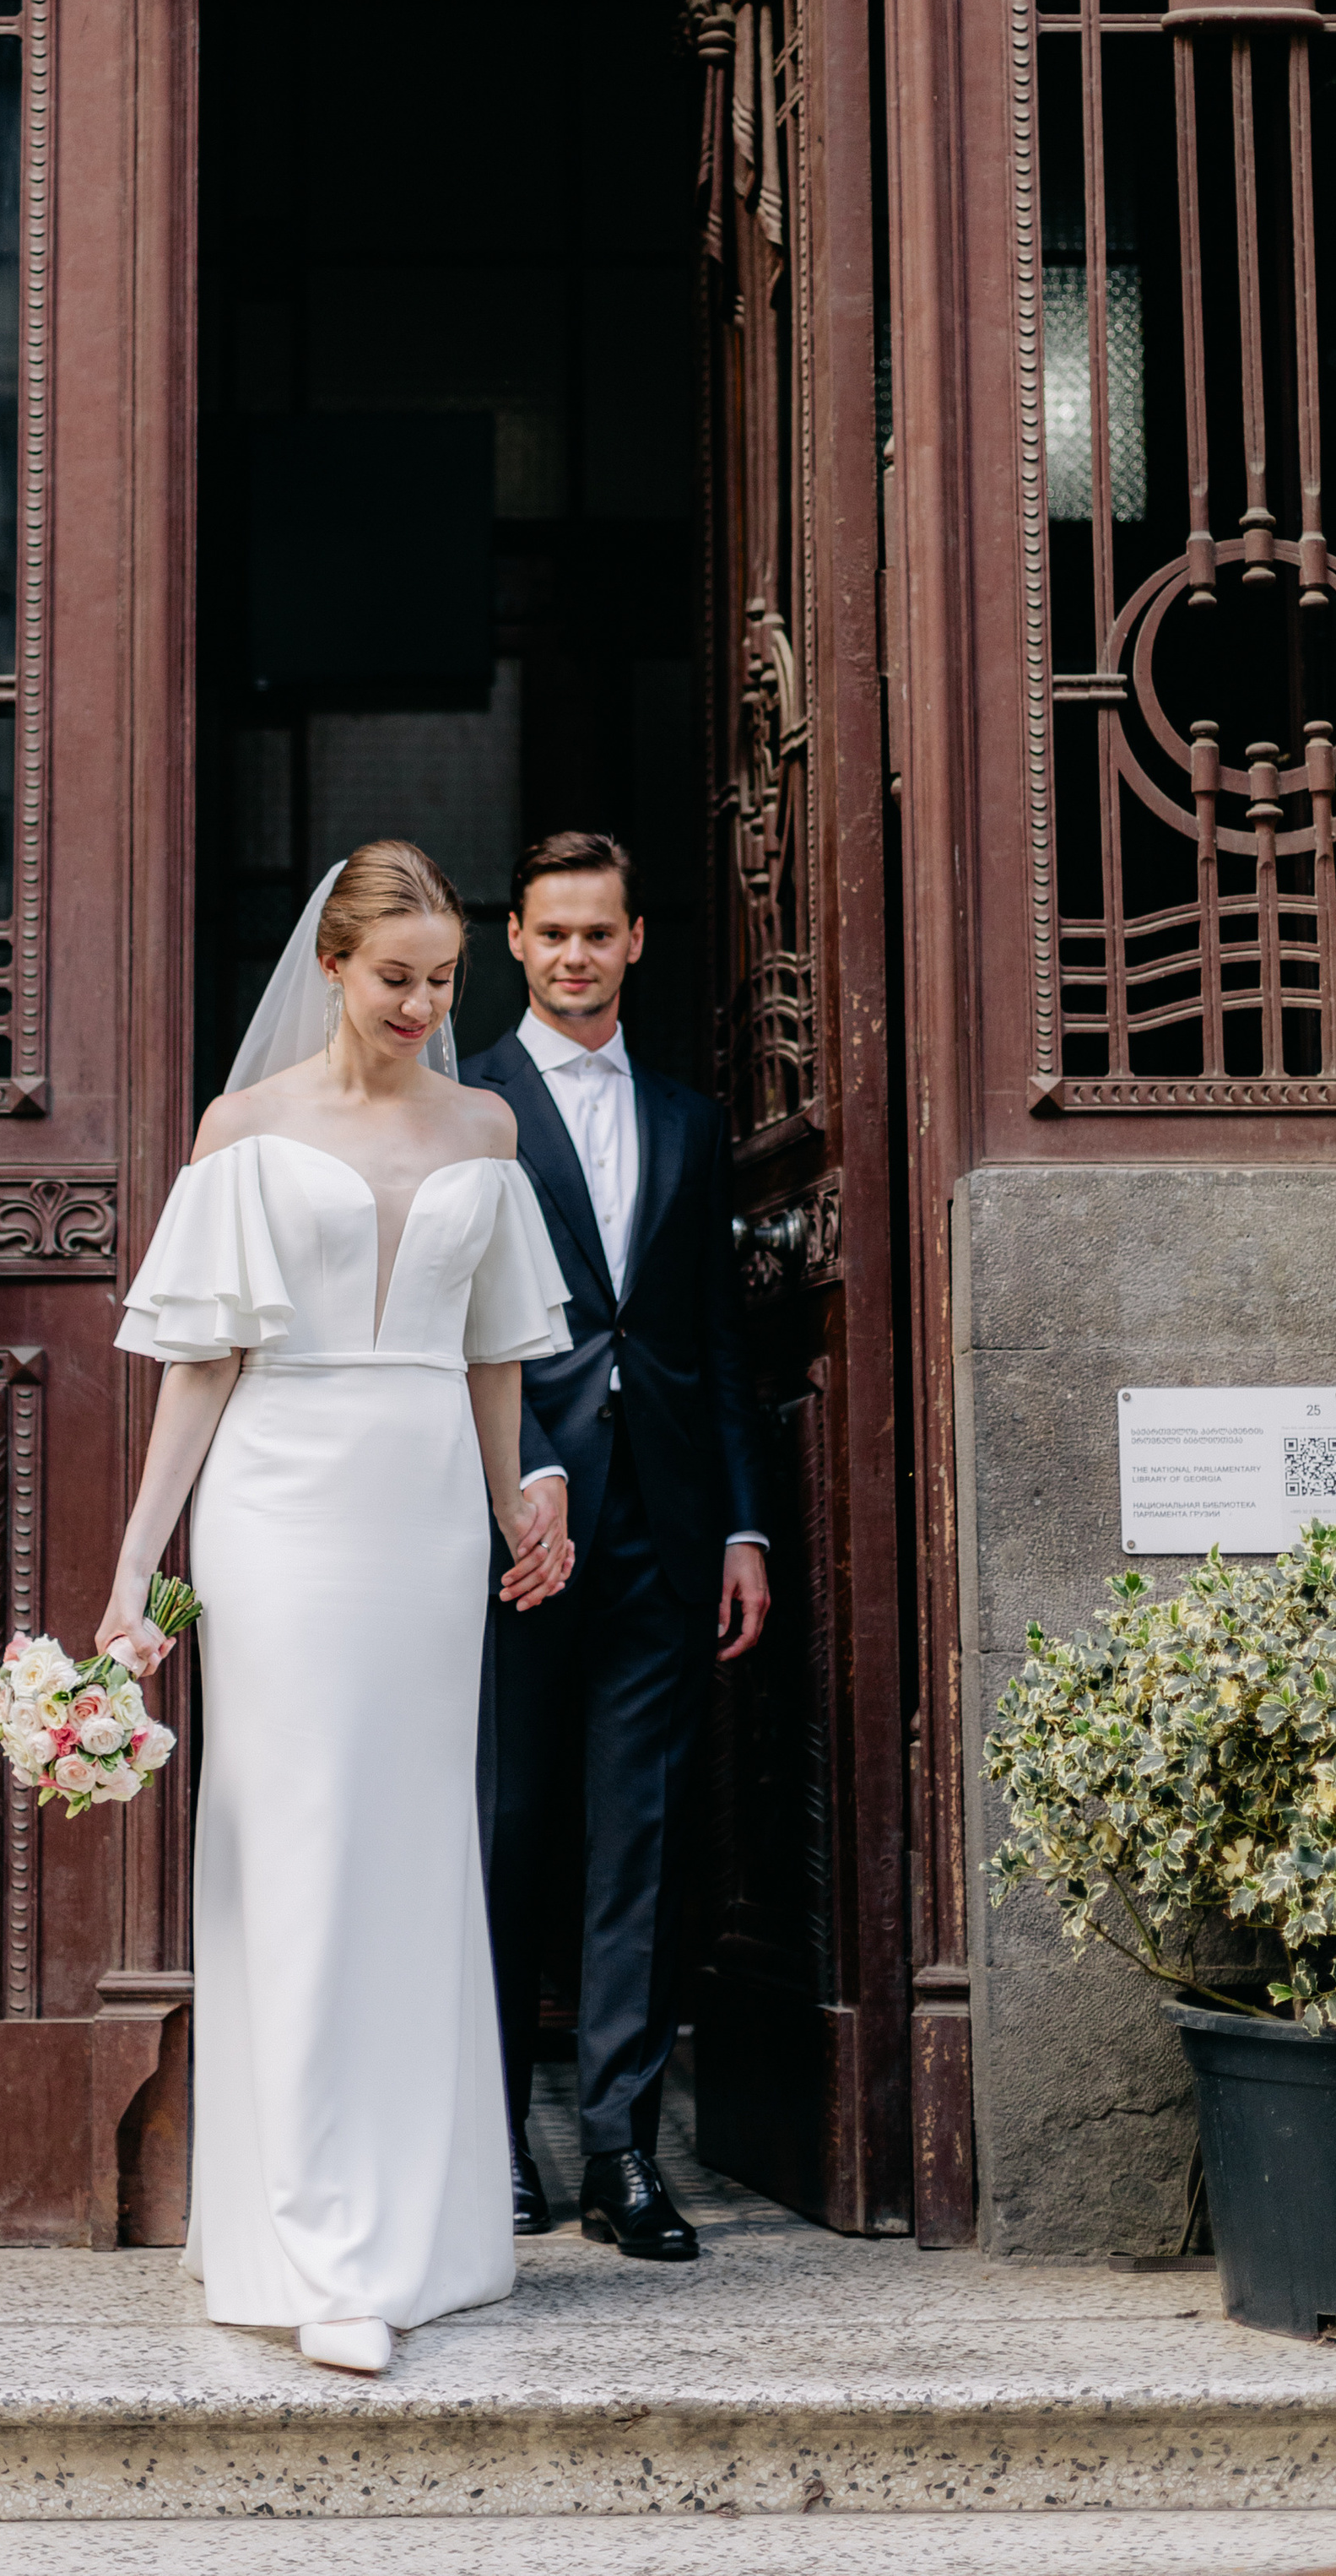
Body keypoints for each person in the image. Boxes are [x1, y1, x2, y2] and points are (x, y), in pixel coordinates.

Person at [98, 841, 577, 2378]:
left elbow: (499, 1347)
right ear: (332, 967)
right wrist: (135, 1576)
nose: (423, 1007)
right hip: (278, 1506)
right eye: (397, 979)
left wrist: (519, 1499)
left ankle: (424, 2230)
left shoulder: (490, 1124)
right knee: (294, 1847)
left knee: (412, 1848)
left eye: (445, 981)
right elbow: (200, 1368)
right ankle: (307, 2243)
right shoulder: (243, 1127)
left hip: (425, 1511)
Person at [464, 828, 771, 2262]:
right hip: (513, 1528)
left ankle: (620, 2156)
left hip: (660, 1525)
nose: (576, 955)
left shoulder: (694, 1120)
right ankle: (494, 2143)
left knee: (637, 1845)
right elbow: (447, 1329)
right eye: (552, 933)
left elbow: (710, 1337)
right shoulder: (464, 1103)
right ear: (514, 943)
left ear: (636, 940)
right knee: (507, 1830)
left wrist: (745, 1523)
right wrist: (511, 1484)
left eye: (600, 932)